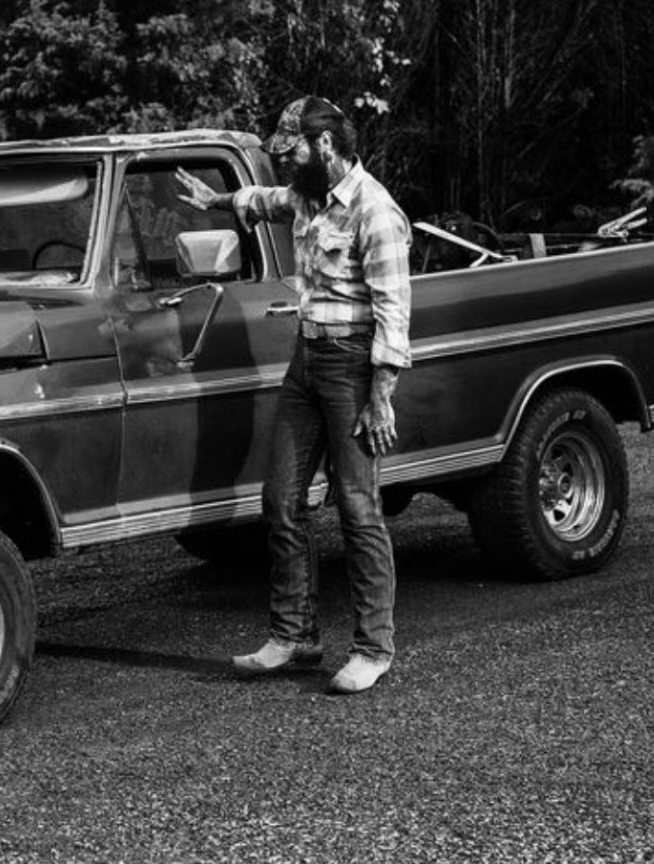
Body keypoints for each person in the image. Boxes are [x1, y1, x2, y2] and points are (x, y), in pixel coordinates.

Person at [175, 95, 412, 694]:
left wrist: (380, 394)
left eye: (293, 152)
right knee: (280, 499)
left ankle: (372, 647)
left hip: (355, 366)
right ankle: (293, 636)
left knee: (359, 507)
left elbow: (393, 312)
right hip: (306, 360)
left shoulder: (374, 211)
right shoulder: (308, 194)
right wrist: (219, 200)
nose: (286, 166)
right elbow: (265, 200)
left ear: (324, 145)